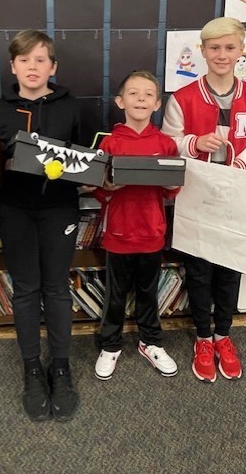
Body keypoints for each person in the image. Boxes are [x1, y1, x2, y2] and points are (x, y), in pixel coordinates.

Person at [162, 17, 246, 383]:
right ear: (203, 51)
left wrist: (242, 161)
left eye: (229, 47)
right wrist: (195, 143)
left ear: (241, 50)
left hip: (237, 192)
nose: (222, 54)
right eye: (214, 47)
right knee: (198, 270)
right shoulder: (183, 98)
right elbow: (168, 143)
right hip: (197, 193)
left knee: (230, 267)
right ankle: (202, 337)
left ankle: (223, 335)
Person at [0, 29, 81, 422]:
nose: (32, 67)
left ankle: (61, 367)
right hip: (14, 210)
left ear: (53, 67)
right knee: (25, 289)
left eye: (41, 60)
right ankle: (32, 369)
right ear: (13, 66)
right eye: (24, 60)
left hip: (60, 210)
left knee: (56, 288)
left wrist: (88, 174)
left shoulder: (72, 108)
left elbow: (88, 157)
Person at [93, 70, 180, 381]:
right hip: (118, 233)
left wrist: (171, 183)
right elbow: (99, 190)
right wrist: (107, 186)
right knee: (115, 295)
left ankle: (151, 342)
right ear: (120, 101)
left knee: (148, 293)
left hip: (152, 233)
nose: (141, 99)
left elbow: (172, 190)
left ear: (157, 104)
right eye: (133, 93)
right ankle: (110, 345)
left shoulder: (166, 144)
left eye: (148, 94)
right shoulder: (109, 143)